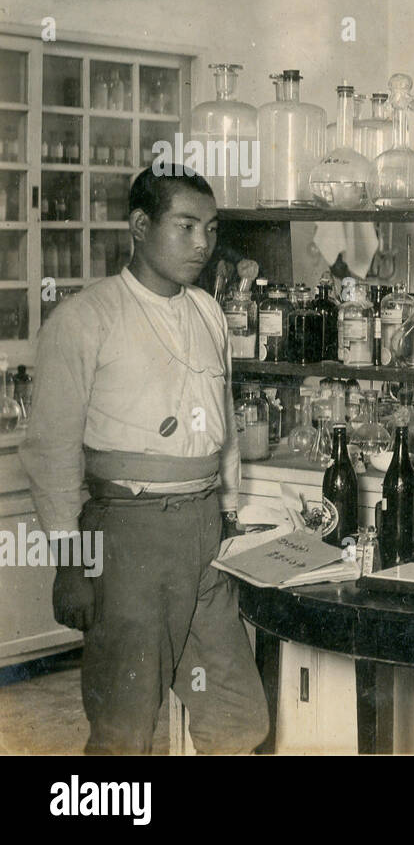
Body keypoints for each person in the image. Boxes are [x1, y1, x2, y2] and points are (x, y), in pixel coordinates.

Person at [20, 167, 269, 755]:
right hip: (127, 537)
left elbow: (224, 425)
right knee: (124, 728)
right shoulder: (85, 318)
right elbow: (50, 451)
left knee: (238, 717)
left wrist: (228, 516)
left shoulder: (208, 311)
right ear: (139, 226)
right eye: (185, 227)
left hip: (205, 531)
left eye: (210, 228)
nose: (203, 244)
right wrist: (71, 561)